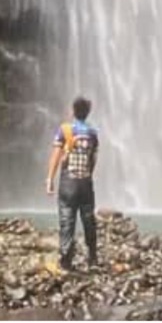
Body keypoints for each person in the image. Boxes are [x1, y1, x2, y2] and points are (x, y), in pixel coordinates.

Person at [44, 96, 99, 271]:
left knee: (67, 219)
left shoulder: (65, 129)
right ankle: (92, 257)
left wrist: (50, 179)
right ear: (88, 112)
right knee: (88, 219)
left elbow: (56, 155)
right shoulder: (92, 133)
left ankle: (66, 259)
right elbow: (94, 158)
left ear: (73, 111)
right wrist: (88, 175)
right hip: (85, 182)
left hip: (69, 182)